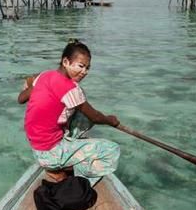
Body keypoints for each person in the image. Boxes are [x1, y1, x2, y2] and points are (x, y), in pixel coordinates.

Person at [18, 39, 120, 186]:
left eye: (87, 68)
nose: (84, 72)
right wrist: (111, 120)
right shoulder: (71, 89)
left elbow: (21, 99)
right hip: (50, 154)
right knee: (112, 150)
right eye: (81, 66)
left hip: (36, 148)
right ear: (65, 61)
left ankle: (64, 155)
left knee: (81, 114)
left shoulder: (44, 75)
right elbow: (96, 117)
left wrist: (30, 84)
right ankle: (73, 177)